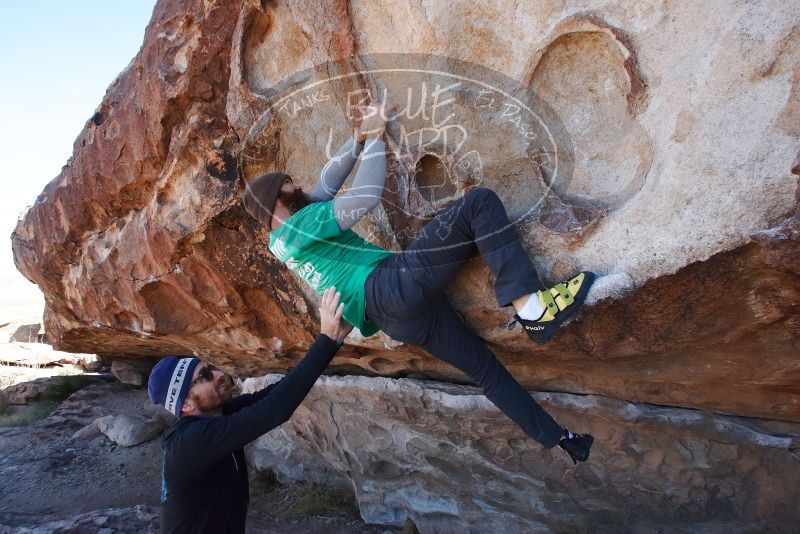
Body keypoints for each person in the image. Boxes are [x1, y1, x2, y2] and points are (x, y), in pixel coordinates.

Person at [242, 101, 595, 464]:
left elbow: (323, 187)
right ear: (275, 205)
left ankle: (561, 438)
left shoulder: (282, 241)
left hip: (395, 318)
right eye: (289, 186)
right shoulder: (301, 224)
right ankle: (530, 306)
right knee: (478, 203)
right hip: (392, 285)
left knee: (485, 371)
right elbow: (364, 197)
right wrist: (377, 137)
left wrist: (357, 140)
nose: (299, 186)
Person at [147, 286, 352, 534]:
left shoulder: (217, 414)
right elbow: (274, 411)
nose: (219, 374)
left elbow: (273, 396)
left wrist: (334, 342)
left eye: (210, 367)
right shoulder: (191, 442)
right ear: (187, 404)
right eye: (206, 376)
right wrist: (325, 341)